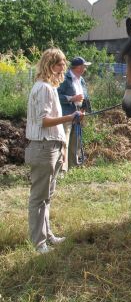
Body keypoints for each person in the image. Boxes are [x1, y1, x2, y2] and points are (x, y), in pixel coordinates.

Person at [25, 48, 84, 254]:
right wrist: (70, 117)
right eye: (60, 65)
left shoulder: (48, 87)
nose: (63, 69)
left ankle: (47, 235)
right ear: (50, 65)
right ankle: (39, 242)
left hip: (52, 146)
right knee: (39, 198)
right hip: (43, 147)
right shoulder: (42, 88)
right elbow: (43, 121)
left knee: (46, 196)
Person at [57, 56, 92, 174]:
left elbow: (85, 97)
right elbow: (57, 96)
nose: (85, 69)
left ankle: (73, 166)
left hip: (79, 114)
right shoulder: (64, 79)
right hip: (66, 114)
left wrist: (84, 111)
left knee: (75, 141)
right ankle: (62, 169)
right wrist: (72, 98)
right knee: (65, 141)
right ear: (77, 67)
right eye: (84, 66)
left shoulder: (81, 80)